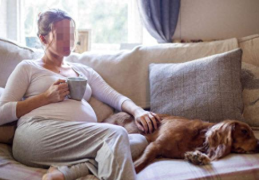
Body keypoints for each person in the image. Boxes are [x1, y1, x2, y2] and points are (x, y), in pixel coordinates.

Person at [0, 8, 161, 180]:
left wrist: (138, 111)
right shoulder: (28, 67)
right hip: (36, 134)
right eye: (60, 36)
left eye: (70, 34)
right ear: (43, 38)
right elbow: (2, 113)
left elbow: (114, 96)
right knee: (116, 135)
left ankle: (66, 172)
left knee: (139, 141)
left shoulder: (83, 71)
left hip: (79, 142)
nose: (68, 41)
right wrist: (46, 97)